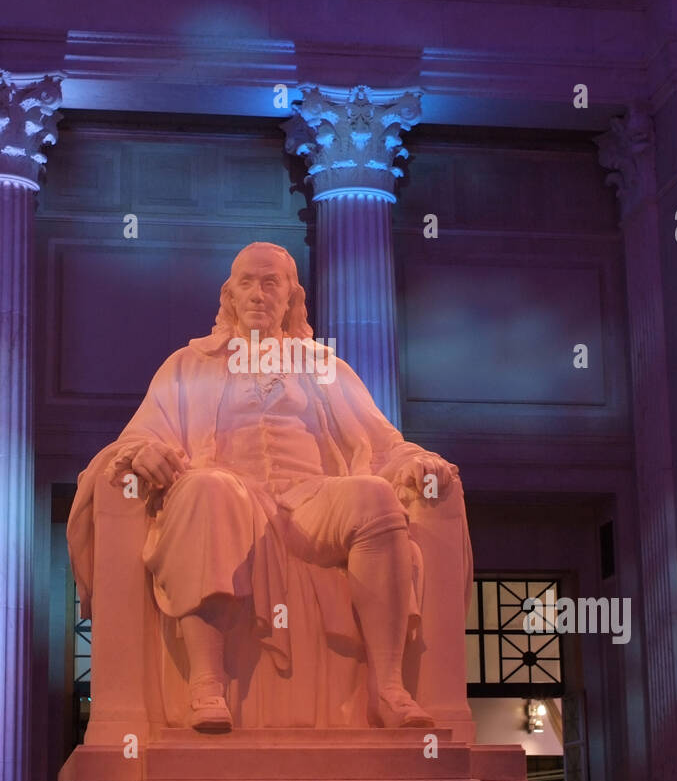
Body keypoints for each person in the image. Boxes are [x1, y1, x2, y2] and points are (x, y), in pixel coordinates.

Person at [100, 241, 458, 731]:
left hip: (309, 498)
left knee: (374, 497)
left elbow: (381, 442)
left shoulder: (321, 366)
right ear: (229, 295)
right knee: (207, 489)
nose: (258, 293)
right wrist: (141, 451)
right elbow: (139, 436)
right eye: (247, 282)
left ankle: (389, 688)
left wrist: (417, 460)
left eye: (272, 283)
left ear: (292, 296)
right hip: (229, 496)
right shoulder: (188, 365)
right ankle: (207, 684)